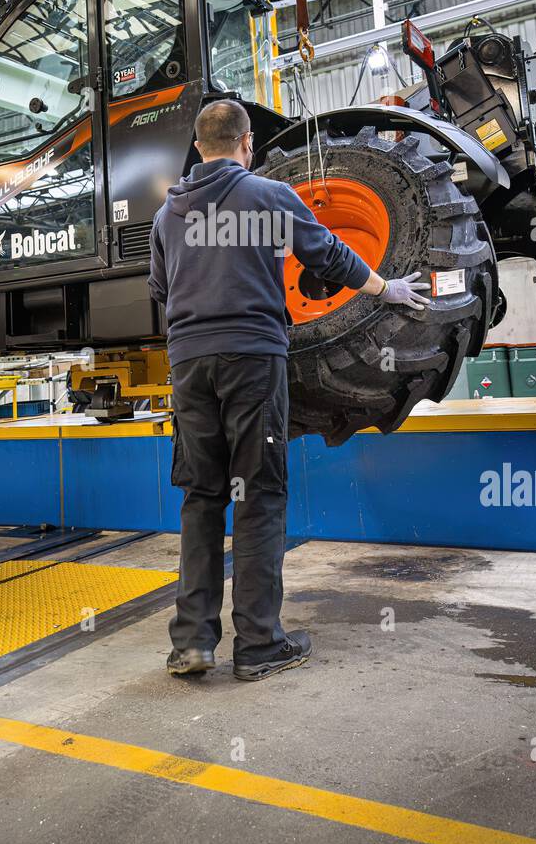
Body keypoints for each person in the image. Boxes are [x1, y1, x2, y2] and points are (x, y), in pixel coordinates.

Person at [148, 99, 430, 682]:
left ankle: (193, 645)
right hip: (252, 359)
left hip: (189, 364)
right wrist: (385, 288)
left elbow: (159, 289)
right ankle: (257, 645)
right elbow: (326, 255)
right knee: (257, 495)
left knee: (202, 498)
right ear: (247, 144)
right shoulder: (270, 197)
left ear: (199, 148)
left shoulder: (166, 216)